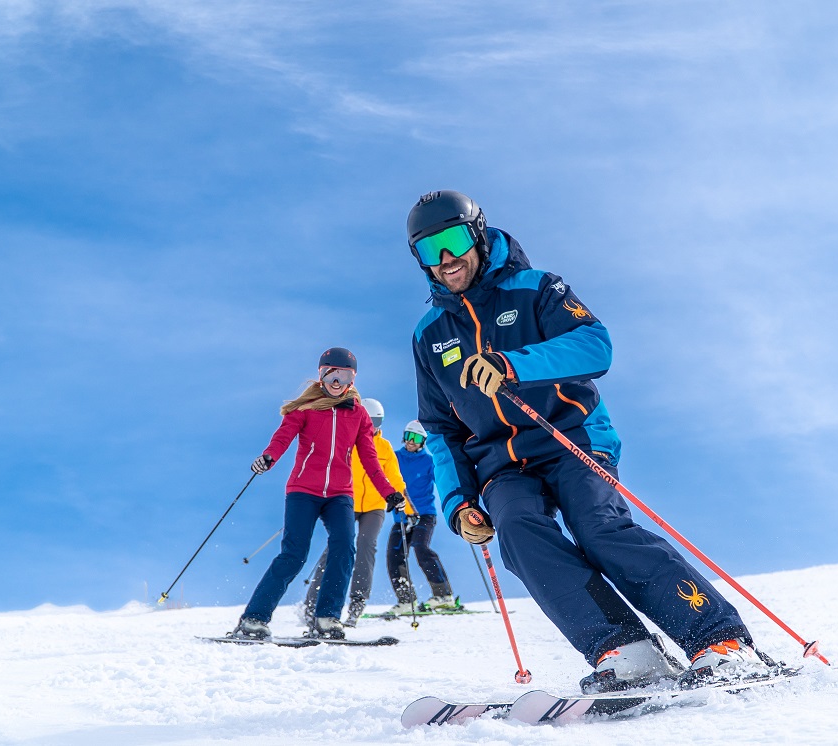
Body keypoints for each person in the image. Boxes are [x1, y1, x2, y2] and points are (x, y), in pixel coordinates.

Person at [405, 190, 771, 692]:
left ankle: (721, 640)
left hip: (570, 434)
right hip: (501, 464)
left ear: (476, 234)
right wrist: (458, 501)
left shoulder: (535, 289)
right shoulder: (429, 334)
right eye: (429, 250)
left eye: (452, 241)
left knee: (598, 528)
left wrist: (514, 365)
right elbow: (441, 428)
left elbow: (594, 344)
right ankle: (625, 650)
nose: (445, 260)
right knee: (518, 530)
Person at [231, 347, 404, 641]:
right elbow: (282, 438)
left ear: (352, 380)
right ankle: (253, 619)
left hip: (339, 494)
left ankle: (326, 618)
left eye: (344, 376)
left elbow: (371, 460)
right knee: (294, 555)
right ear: (321, 375)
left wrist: (389, 492)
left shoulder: (359, 415)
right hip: (303, 491)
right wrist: (268, 458)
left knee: (344, 549)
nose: (337, 382)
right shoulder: (305, 410)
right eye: (331, 375)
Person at [303, 397, 407, 627]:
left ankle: (357, 602)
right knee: (338, 546)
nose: (373, 426)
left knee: (366, 544)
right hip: (347, 501)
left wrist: (398, 497)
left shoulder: (385, 447)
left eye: (377, 421)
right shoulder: (346, 440)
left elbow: (396, 478)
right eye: (370, 420)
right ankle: (313, 602)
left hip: (374, 505)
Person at [384, 419, 456, 615]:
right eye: (408, 436)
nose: (410, 441)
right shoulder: (395, 457)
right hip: (401, 516)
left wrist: (457, 495)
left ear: (423, 441)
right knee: (394, 555)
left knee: (420, 547)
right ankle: (406, 600)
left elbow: (441, 480)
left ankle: (443, 596)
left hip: (424, 514)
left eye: (415, 438)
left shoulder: (428, 461)